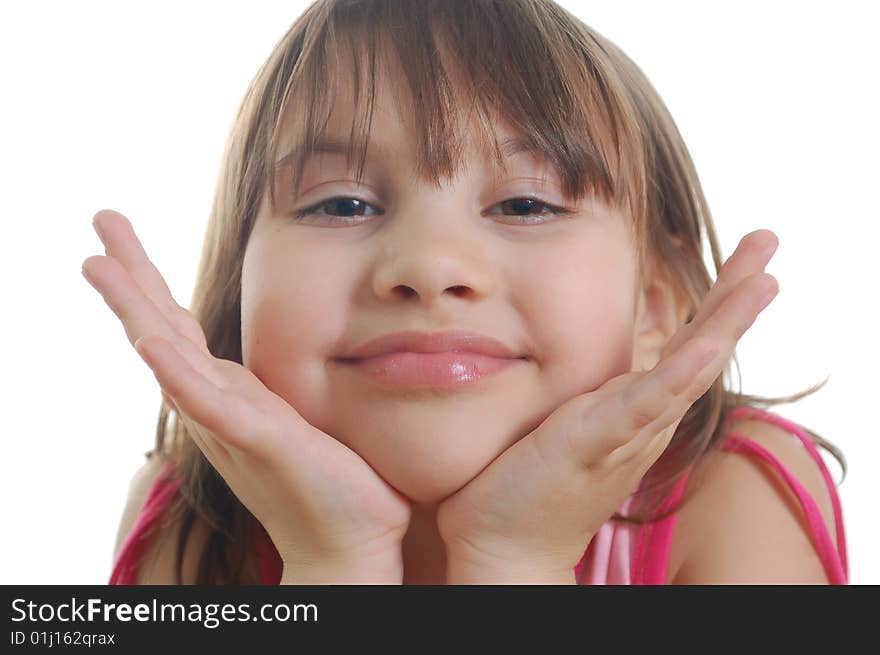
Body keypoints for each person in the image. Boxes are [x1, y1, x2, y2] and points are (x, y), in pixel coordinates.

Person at [83, 0, 847, 585]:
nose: (428, 265)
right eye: (341, 203)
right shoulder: (186, 522)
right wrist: (335, 563)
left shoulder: (733, 495)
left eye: (525, 204)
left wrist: (515, 561)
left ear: (653, 307)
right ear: (237, 284)